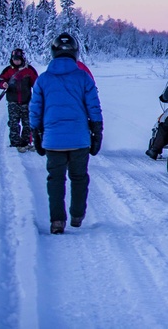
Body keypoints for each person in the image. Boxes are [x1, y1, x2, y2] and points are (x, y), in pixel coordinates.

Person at [28, 33, 103, 235]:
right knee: (79, 177)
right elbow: (94, 107)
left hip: (53, 140)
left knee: (55, 180)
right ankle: (77, 215)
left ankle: (57, 222)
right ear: (75, 53)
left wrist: (35, 133)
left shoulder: (43, 79)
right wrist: (97, 131)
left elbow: (35, 110)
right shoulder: (83, 77)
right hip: (79, 139)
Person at [0, 48, 39, 152]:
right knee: (13, 123)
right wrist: (4, 84)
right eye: (14, 59)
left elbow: (37, 84)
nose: (16, 61)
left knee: (27, 123)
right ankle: (15, 143)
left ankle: (26, 142)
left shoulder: (29, 70)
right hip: (13, 101)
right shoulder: (8, 70)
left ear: (22, 59)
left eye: (18, 59)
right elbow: (0, 80)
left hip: (26, 101)